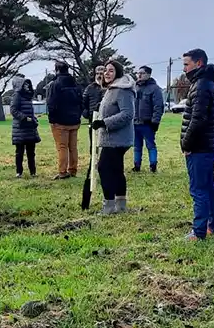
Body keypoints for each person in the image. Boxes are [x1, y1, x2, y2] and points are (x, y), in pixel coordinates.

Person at [180, 48, 214, 240]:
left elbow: (198, 119)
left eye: (186, 64)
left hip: (200, 146)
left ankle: (199, 231)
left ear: (199, 63)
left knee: (199, 189)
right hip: (209, 145)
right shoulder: (208, 83)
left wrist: (186, 144)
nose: (184, 69)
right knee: (209, 187)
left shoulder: (201, 86)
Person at [91, 60, 136, 214]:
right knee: (116, 170)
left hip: (118, 139)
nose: (107, 73)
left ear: (118, 73)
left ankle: (109, 206)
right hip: (111, 138)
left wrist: (104, 122)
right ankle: (121, 205)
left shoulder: (123, 90)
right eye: (105, 70)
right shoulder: (111, 89)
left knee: (104, 169)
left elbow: (127, 114)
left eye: (111, 70)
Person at [46, 61, 82, 180]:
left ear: (56, 70)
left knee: (62, 147)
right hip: (75, 120)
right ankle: (73, 170)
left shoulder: (55, 84)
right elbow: (80, 101)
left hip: (60, 121)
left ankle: (62, 171)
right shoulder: (75, 83)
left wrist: (52, 119)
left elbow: (51, 103)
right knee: (73, 147)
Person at [133, 65, 164, 173]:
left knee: (150, 145)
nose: (139, 75)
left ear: (148, 74)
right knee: (136, 146)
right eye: (138, 73)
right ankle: (136, 165)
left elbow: (158, 106)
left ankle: (153, 165)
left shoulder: (155, 89)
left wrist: (155, 122)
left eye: (142, 73)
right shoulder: (134, 88)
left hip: (148, 123)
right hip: (135, 122)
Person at [10, 76, 41, 178]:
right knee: (19, 152)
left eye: (28, 84)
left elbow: (30, 112)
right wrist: (24, 118)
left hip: (30, 128)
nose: (27, 86)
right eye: (25, 84)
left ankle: (33, 172)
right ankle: (19, 172)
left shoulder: (28, 97)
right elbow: (13, 110)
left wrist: (34, 119)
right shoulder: (17, 96)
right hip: (20, 128)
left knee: (31, 152)